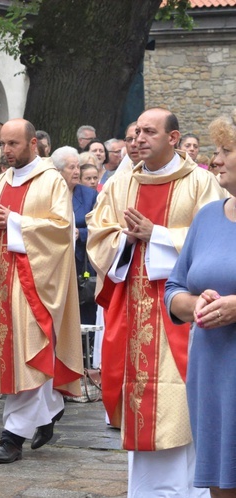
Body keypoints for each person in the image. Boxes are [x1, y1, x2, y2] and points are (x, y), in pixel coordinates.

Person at [86, 107, 225, 497]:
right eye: (136, 132)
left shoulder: (201, 183)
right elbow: (99, 233)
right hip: (132, 306)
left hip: (182, 313)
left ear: (174, 139)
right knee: (139, 402)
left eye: (149, 132)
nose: (139, 139)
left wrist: (157, 234)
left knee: (183, 402)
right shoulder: (120, 182)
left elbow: (215, 241)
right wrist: (126, 240)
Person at [0, 119, 83, 464]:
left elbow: (61, 230)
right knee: (8, 355)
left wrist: (13, 222)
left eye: (13, 145)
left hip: (31, 282)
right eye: (3, 145)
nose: (6, 152)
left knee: (29, 351)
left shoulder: (51, 181)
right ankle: (50, 407)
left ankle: (12, 436)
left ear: (33, 145)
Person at [166, 110, 236, 498]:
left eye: (226, 150)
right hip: (209, 370)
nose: (216, 159)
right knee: (219, 483)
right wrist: (195, 303)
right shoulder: (208, 217)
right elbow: (174, 288)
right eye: (216, 149)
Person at [52, 147, 99, 325]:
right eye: (71, 168)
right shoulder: (50, 193)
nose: (77, 172)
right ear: (58, 171)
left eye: (78, 167)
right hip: (56, 261)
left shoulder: (89, 195)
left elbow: (99, 226)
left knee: (84, 314)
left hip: (81, 263)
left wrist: (81, 233)